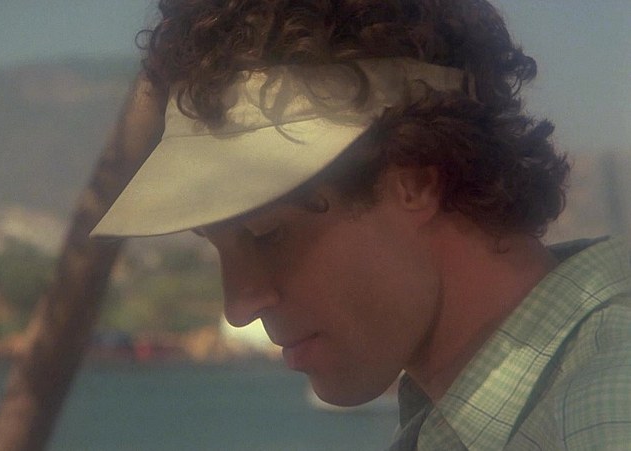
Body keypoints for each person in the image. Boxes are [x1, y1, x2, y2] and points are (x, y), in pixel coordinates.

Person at [91, 0, 631, 449]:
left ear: (417, 180)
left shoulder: (604, 412)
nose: (239, 306)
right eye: (218, 245)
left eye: (267, 236)